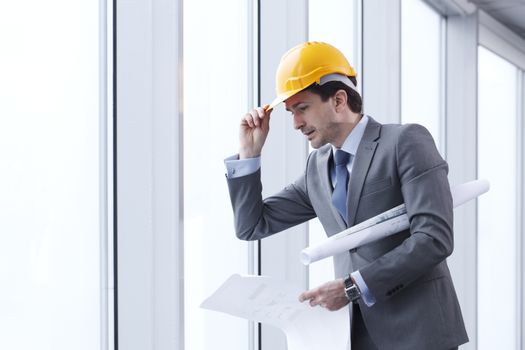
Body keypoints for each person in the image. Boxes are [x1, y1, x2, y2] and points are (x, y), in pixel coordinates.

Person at [224, 41, 468, 350]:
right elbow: (252, 226)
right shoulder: (317, 168)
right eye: (291, 113)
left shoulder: (404, 142)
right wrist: (250, 154)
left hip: (418, 334)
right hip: (355, 336)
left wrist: (353, 287)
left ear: (339, 100)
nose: (296, 124)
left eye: (302, 109)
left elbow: (434, 238)